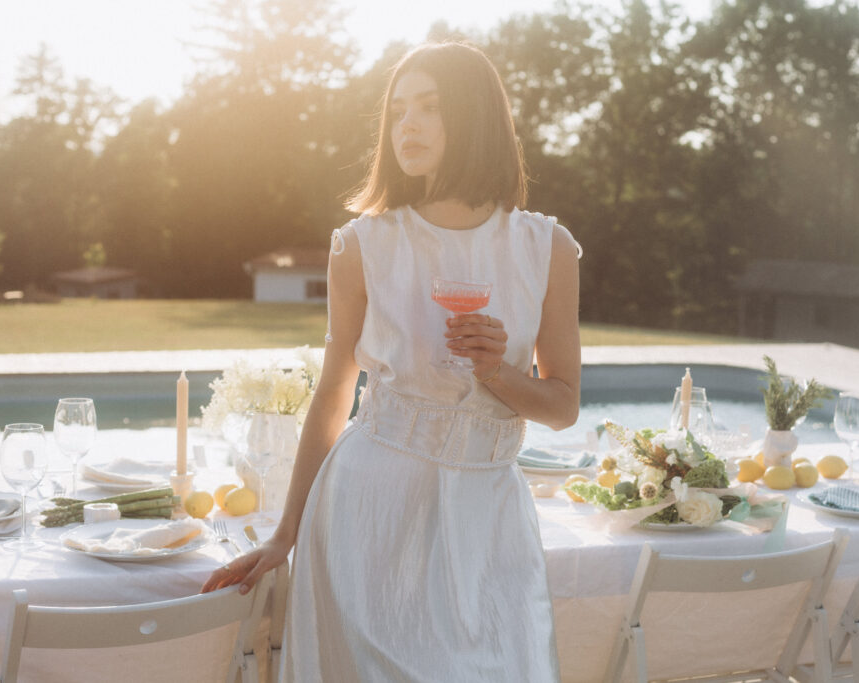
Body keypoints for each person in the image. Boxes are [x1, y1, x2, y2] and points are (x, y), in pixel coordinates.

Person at [203, 41, 581, 682]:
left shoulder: (547, 248)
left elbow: (564, 407)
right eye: (399, 111)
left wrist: (497, 372)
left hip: (491, 522)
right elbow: (334, 392)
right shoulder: (363, 246)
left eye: (430, 108)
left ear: (477, 118)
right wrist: (284, 533)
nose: (407, 125)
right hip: (369, 514)